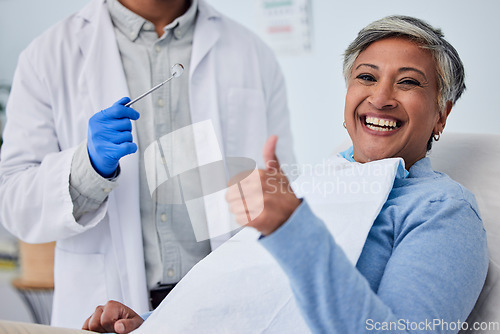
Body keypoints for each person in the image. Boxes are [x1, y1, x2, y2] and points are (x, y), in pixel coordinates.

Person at [83, 15, 488, 334]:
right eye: (366, 76)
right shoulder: (310, 184)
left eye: (408, 83)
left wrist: (295, 232)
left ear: (442, 113)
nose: (380, 98)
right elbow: (249, 299)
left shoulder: (442, 211)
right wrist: (159, 326)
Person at [0, 0, 295, 328]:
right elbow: (14, 203)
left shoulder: (252, 53)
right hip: (109, 314)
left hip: (228, 311)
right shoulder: (48, 56)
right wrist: (88, 169)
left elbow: (283, 188)